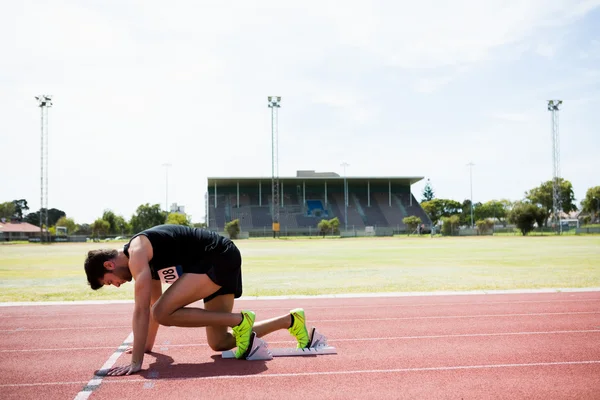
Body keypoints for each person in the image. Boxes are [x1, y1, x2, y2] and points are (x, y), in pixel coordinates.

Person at [84, 224, 310, 376]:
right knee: (219, 342)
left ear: (109, 265)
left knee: (162, 313)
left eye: (109, 281)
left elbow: (142, 310)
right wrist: (144, 348)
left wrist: (136, 363)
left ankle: (239, 320)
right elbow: (153, 304)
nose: (116, 284)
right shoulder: (145, 265)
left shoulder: (137, 252)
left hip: (218, 256)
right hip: (214, 263)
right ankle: (290, 321)